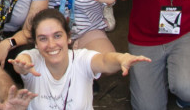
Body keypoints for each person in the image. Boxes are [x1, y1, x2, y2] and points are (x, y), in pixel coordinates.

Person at [9, 9, 150, 110]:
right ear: (36, 43)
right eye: (43, 39)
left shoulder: (81, 58)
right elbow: (22, 61)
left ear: (68, 37)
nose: (51, 44)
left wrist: (121, 58)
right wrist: (22, 64)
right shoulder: (33, 58)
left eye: (57, 36)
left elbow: (104, 61)